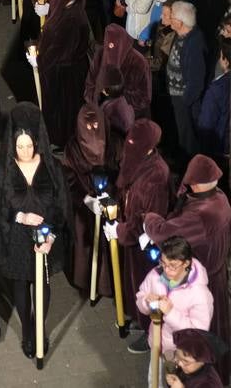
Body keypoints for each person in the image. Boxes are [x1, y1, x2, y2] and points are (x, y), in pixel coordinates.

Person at [0, 103, 71, 358]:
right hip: (16, 239)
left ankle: (39, 328)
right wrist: (20, 216)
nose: (24, 151)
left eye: (29, 145)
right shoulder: (3, 170)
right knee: (22, 285)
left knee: (42, 284)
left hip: (46, 237)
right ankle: (27, 330)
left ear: (36, 143)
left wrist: (52, 237)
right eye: (19, 146)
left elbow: (62, 207)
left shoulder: (52, 168)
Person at [145, 155, 231, 385]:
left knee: (195, 343)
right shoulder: (221, 198)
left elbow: (163, 231)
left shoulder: (202, 212)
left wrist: (149, 219)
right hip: (218, 278)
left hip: (200, 286)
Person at [103, 119, 172, 345]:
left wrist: (121, 231)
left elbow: (149, 216)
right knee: (134, 280)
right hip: (133, 237)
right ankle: (140, 316)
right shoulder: (138, 159)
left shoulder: (157, 175)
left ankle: (151, 329)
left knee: (149, 284)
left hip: (147, 245)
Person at [135, 237, 213, 371]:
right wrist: (146, 303)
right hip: (157, 345)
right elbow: (141, 296)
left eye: (173, 266)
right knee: (155, 381)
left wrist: (170, 313)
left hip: (182, 357)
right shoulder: (155, 276)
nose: (167, 270)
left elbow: (198, 334)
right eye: (163, 263)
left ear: (186, 263)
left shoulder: (200, 294)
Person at [63, 104, 113, 298]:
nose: (92, 130)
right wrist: (85, 198)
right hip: (85, 208)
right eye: (87, 126)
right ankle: (86, 281)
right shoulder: (73, 149)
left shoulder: (114, 144)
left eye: (96, 125)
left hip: (110, 208)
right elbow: (69, 180)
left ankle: (106, 285)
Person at [33, 0, 89, 148]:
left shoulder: (69, 21)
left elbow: (58, 52)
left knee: (63, 111)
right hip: (72, 70)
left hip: (65, 75)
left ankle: (61, 141)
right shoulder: (73, 10)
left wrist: (39, 60)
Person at [167, 1, 208, 161]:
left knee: (188, 138)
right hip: (177, 97)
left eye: (172, 17)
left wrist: (184, 102)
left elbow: (196, 82)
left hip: (184, 101)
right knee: (181, 133)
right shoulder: (182, 35)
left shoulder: (194, 45)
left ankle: (189, 168)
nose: (170, 19)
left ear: (180, 22)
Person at [85, 23, 152, 118]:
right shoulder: (101, 54)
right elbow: (90, 84)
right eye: (108, 44)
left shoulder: (139, 62)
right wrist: (96, 100)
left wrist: (116, 93)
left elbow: (144, 98)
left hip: (130, 117)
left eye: (114, 45)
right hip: (103, 115)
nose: (110, 50)